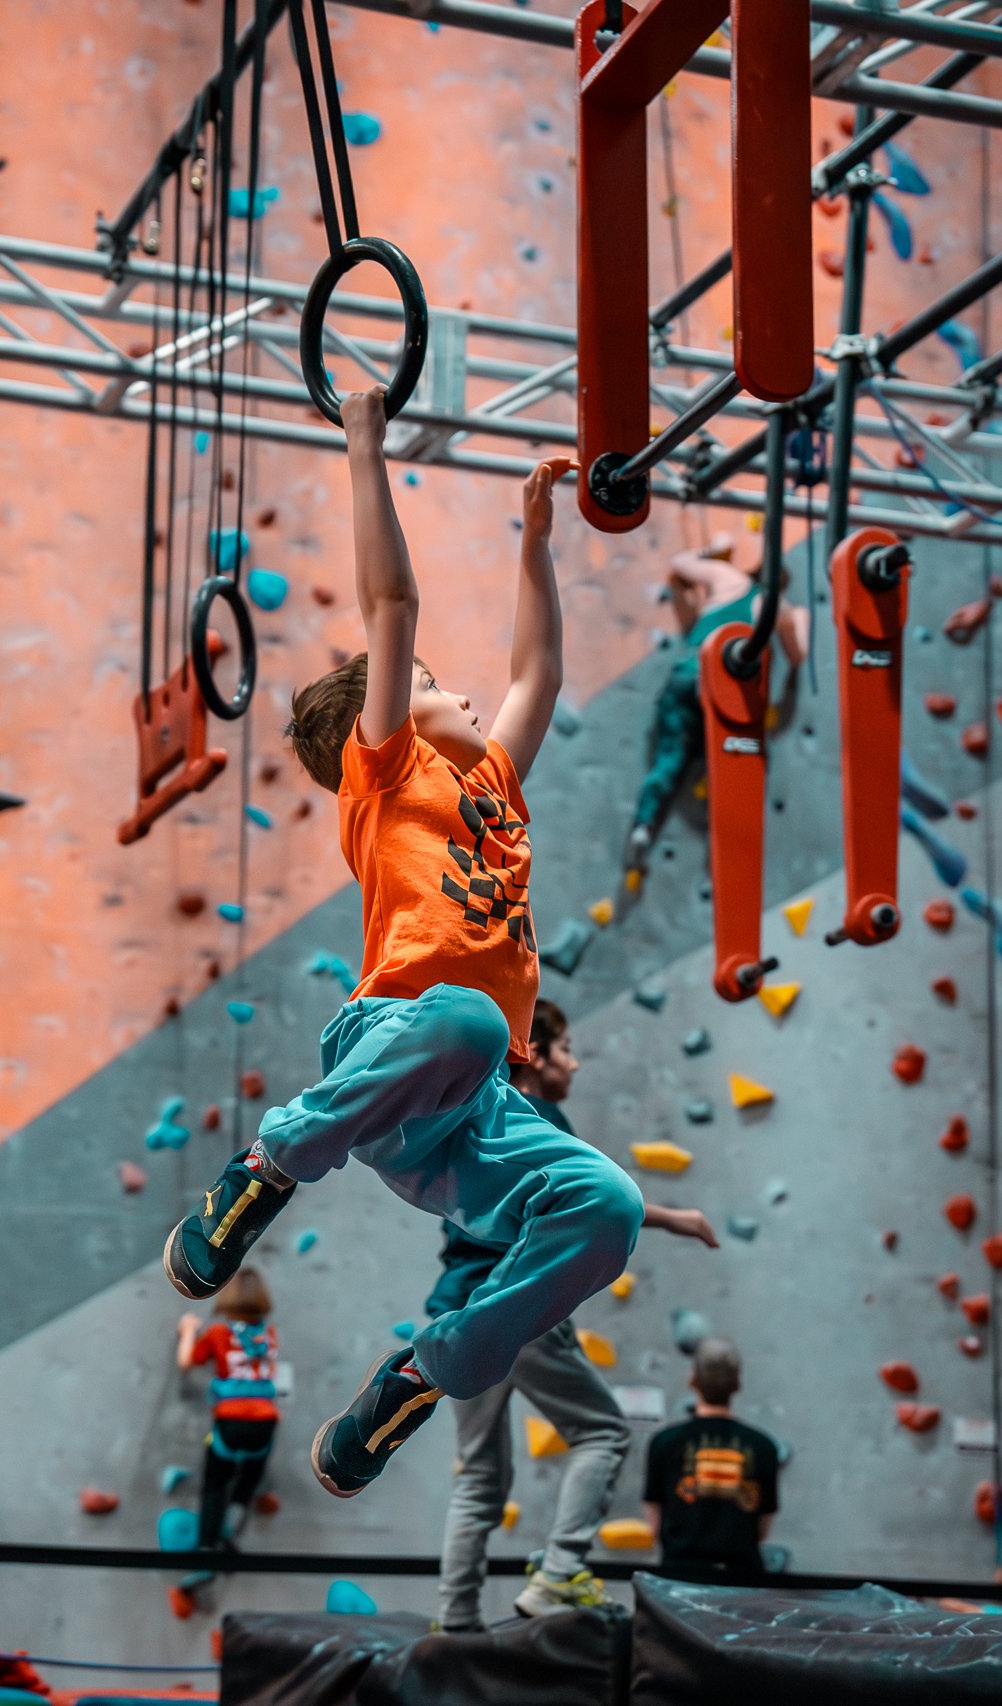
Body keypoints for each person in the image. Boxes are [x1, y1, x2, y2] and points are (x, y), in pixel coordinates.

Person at [164, 385, 646, 1501]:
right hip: (398, 1043)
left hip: (468, 1112)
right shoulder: (382, 770)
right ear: (380, 721)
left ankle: (427, 1370)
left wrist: (536, 542)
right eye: (433, 686)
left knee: (608, 1208)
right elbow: (392, 600)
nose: (458, 688)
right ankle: (264, 1169)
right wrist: (365, 441)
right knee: (474, 1021)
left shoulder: (490, 782)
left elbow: (541, 676)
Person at [432, 998, 719, 1628]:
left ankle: (454, 1622)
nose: (576, 1063)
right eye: (566, 1050)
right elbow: (594, 1203)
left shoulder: (483, 1119)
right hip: (518, 1302)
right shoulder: (543, 1119)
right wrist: (678, 1220)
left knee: (478, 1478)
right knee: (604, 1431)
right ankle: (560, 1572)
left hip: (456, 1311)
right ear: (532, 1054)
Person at [625, 540, 810, 881]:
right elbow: (798, 656)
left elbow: (680, 560)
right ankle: (726, 851)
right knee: (730, 761)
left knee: (670, 758)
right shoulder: (777, 607)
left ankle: (643, 827)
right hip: (723, 687)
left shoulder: (727, 578)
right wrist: (802, 618)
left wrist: (718, 550)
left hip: (688, 673)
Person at [642, 1337, 779, 1576]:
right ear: (737, 1383)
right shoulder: (763, 1447)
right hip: (743, 1578)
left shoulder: (664, 1442)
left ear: (692, 1379)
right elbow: (762, 1530)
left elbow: (654, 1523)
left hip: (679, 1576)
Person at [175, 1266, 281, 1557]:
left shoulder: (219, 1333)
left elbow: (187, 1361)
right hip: (265, 1424)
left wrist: (188, 1331)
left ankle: (207, 1546)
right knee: (247, 1481)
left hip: (230, 1420)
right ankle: (230, 1532)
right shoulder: (268, 1335)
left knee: (215, 1483)